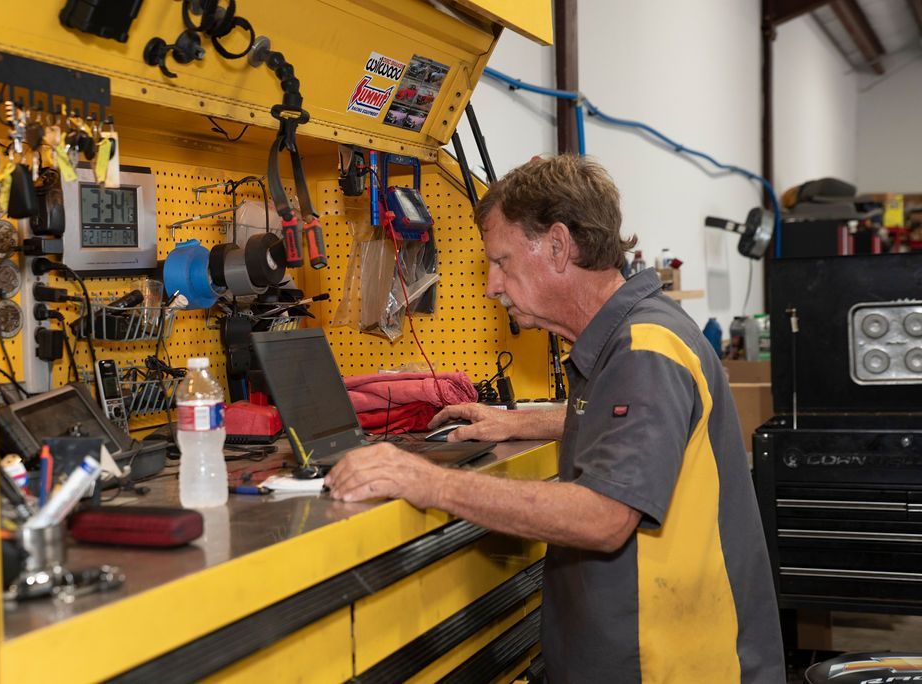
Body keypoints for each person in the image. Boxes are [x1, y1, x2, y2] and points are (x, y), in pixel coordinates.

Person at [324, 154, 784, 682]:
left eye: (502, 262)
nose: (491, 286)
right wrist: (524, 421)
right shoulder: (630, 334)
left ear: (559, 246)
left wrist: (425, 480)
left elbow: (602, 518)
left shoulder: (645, 350)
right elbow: (639, 423)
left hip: (668, 663)